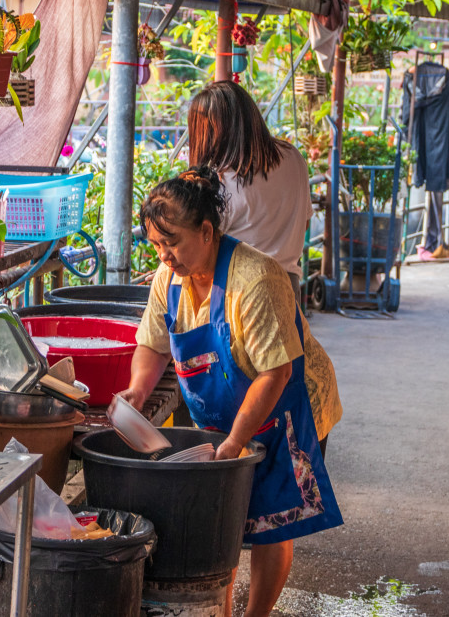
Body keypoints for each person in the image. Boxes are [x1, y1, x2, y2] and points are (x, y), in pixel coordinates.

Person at [118, 166, 342, 617]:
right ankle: (220, 611)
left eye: (173, 242)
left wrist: (236, 442)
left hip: (289, 409)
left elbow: (274, 375)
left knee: (271, 522)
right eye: (156, 245)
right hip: (223, 419)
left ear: (206, 231)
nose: (165, 256)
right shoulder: (168, 280)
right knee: (224, 524)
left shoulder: (255, 279)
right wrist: (137, 392)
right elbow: (153, 343)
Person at [187, 80, 313, 298]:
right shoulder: (293, 156)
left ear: (207, 133)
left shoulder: (221, 181)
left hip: (238, 292)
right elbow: (305, 222)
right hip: (288, 287)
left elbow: (200, 251)